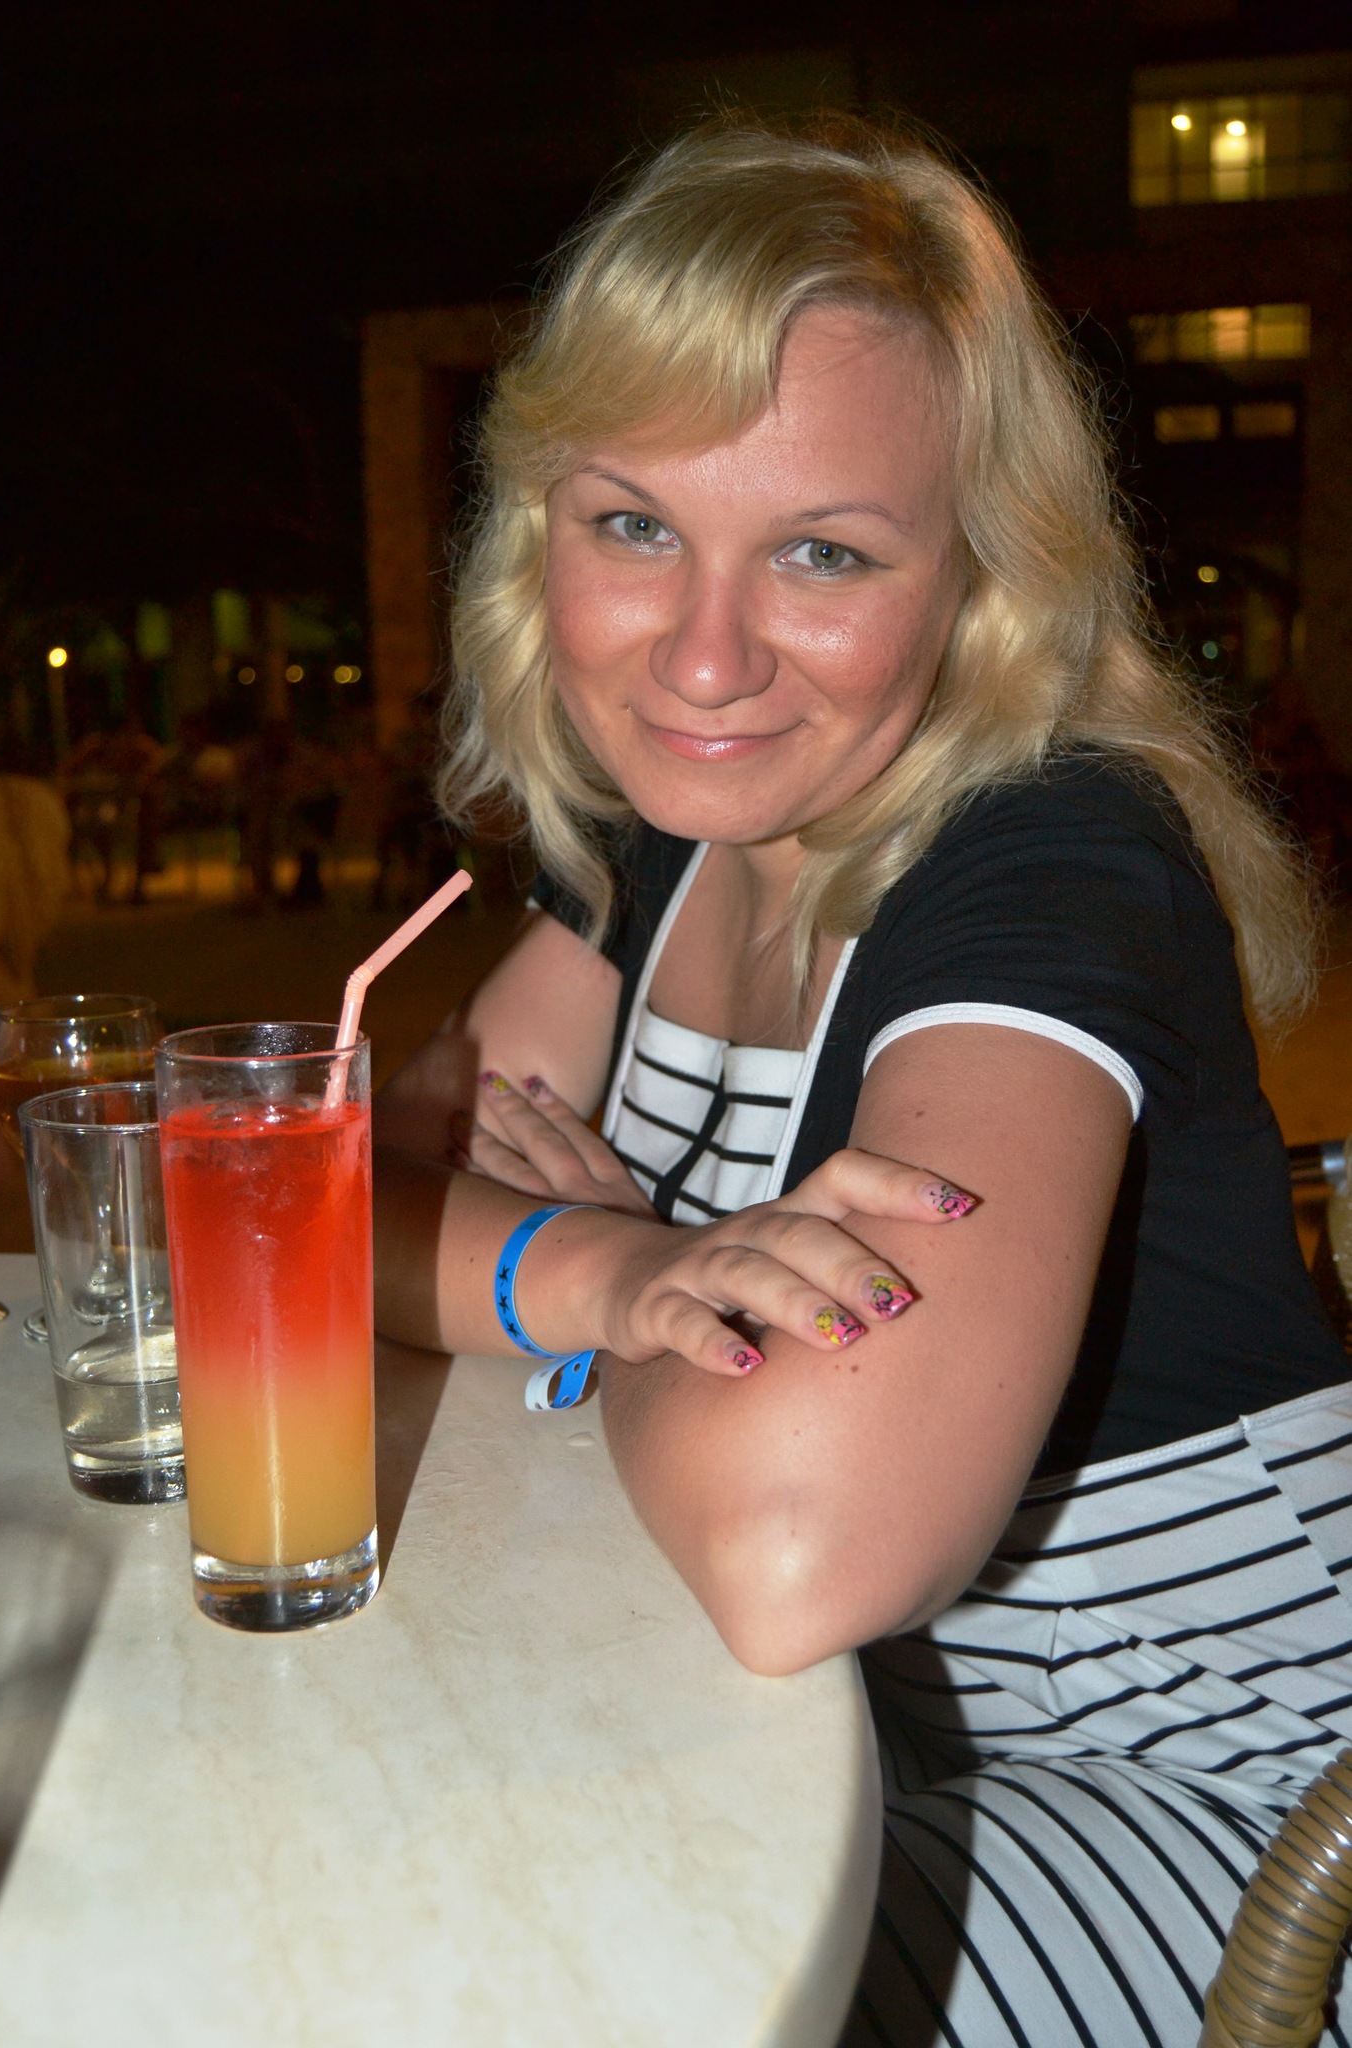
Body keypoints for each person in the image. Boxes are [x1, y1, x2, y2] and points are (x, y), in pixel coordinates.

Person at [373, 120, 1352, 2046]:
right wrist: (621, 1276)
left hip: (1230, 1797)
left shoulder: (1049, 857)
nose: (704, 657)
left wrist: (563, 1284)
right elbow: (326, 1202)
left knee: (528, 1968)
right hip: (860, 1745)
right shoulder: (670, 830)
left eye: (821, 553)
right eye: (633, 524)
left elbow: (791, 1545)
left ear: (979, 579)